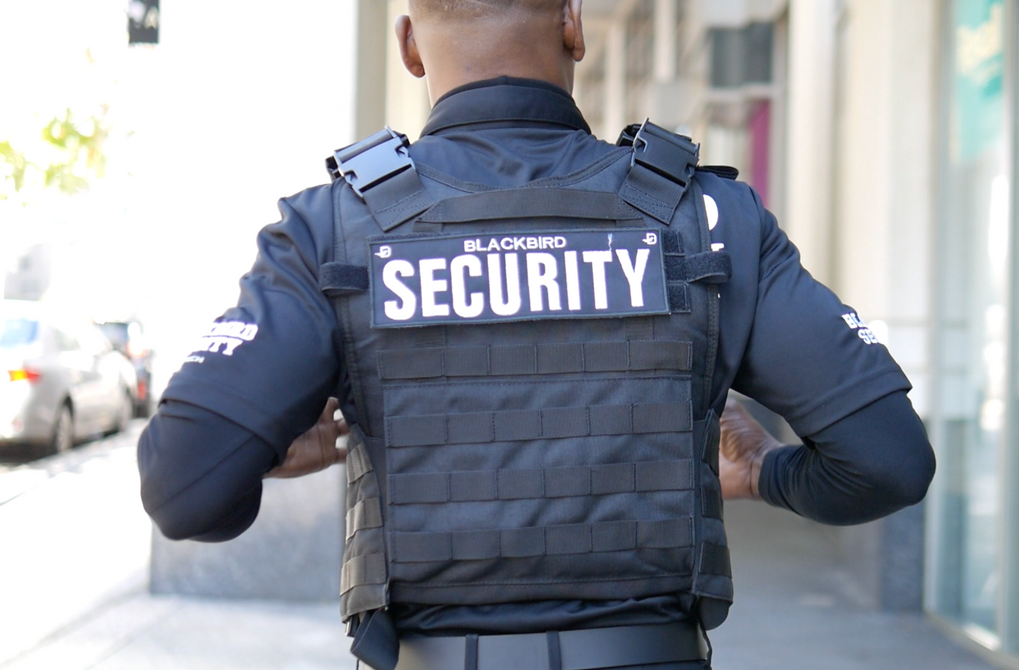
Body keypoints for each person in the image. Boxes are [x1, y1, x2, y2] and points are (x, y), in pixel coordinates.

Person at [137, 1, 936, 668]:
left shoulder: (333, 231)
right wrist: (764, 471)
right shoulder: (708, 218)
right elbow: (888, 463)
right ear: (574, 24)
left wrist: (267, 455)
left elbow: (184, 491)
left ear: (409, 45)